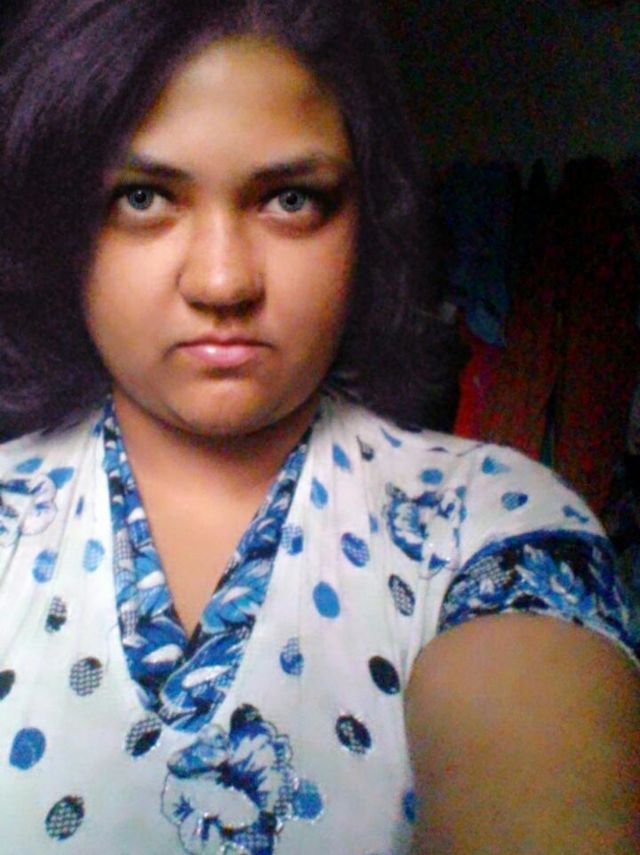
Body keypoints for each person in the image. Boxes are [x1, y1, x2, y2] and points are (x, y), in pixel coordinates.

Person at [0, 1, 638, 853]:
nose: (223, 282)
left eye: (291, 199)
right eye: (143, 197)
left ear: (366, 221)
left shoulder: (488, 525)